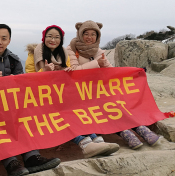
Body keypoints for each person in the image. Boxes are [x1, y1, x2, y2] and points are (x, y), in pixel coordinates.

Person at [0, 24, 61, 176]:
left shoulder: (14, 60)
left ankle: (31, 157)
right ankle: (11, 162)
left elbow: (23, 85)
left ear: (9, 41)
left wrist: (37, 76)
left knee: (25, 117)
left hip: (10, 106)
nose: (0, 42)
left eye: (4, 38)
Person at [26, 24, 119, 158]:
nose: (53, 40)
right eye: (50, 36)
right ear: (44, 38)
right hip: (42, 99)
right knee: (62, 115)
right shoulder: (33, 55)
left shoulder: (64, 54)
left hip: (62, 95)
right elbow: (27, 80)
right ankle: (85, 144)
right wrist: (44, 72)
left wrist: (68, 72)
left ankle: (95, 139)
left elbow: (69, 78)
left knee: (77, 110)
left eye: (57, 37)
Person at [66, 20, 159, 151]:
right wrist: (97, 63)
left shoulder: (97, 50)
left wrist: (133, 73)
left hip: (100, 89)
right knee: (105, 107)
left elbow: (112, 71)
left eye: (93, 34)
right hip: (81, 94)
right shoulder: (71, 49)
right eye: (86, 33)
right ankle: (123, 132)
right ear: (80, 33)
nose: (89, 37)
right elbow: (74, 71)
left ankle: (139, 127)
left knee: (118, 102)